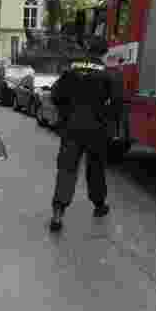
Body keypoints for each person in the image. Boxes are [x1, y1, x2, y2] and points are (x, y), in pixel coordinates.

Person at [48, 36, 123, 232]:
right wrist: (106, 119)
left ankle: (58, 213)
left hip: (71, 128)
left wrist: (66, 114)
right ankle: (99, 205)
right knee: (96, 168)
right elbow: (117, 103)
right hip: (96, 130)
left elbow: (56, 96)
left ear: (87, 48)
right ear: (104, 52)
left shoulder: (71, 68)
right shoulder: (108, 73)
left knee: (67, 169)